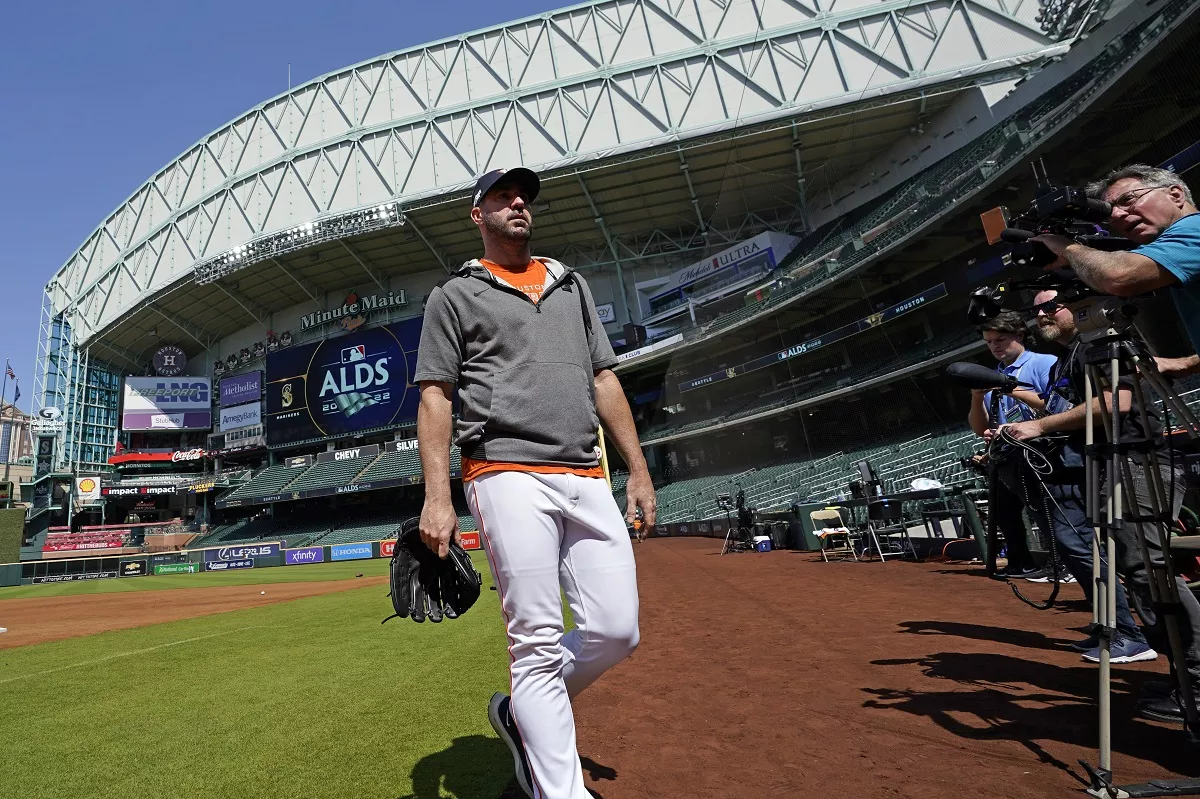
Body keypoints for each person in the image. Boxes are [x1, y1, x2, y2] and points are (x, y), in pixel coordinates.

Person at [414, 166, 657, 799]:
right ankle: (562, 790)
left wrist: (639, 468)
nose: (518, 203)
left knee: (617, 630)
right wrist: (438, 497)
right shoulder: (455, 295)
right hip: (504, 470)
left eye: (524, 196)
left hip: (583, 468)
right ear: (478, 215)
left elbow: (604, 379)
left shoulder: (571, 287)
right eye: (502, 196)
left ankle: (527, 710)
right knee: (536, 639)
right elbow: (436, 395)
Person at [999, 289, 1158, 665]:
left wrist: (1038, 427)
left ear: (1083, 306)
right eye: (1036, 310)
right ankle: (1115, 628)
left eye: (1052, 306)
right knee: (1080, 547)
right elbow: (1062, 408)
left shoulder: (1097, 346)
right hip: (1086, 463)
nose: (1043, 315)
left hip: (1124, 460)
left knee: (1136, 561)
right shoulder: (1063, 360)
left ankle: (1134, 634)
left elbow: (1116, 403)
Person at [1031, 164, 1200, 376]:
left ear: (1175, 195)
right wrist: (1184, 364)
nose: (1118, 215)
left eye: (1127, 200)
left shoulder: (1194, 228)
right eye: (1109, 212)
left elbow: (1119, 277)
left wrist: (1067, 248)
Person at [967, 311, 1057, 578]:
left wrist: (1009, 387)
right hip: (1007, 456)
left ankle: (1060, 564)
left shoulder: (1045, 363)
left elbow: (1056, 407)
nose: (995, 346)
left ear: (1019, 335)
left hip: (1043, 452)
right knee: (1004, 512)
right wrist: (976, 396)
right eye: (989, 341)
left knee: (1044, 511)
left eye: (1001, 339)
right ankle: (1021, 562)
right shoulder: (991, 375)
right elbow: (978, 427)